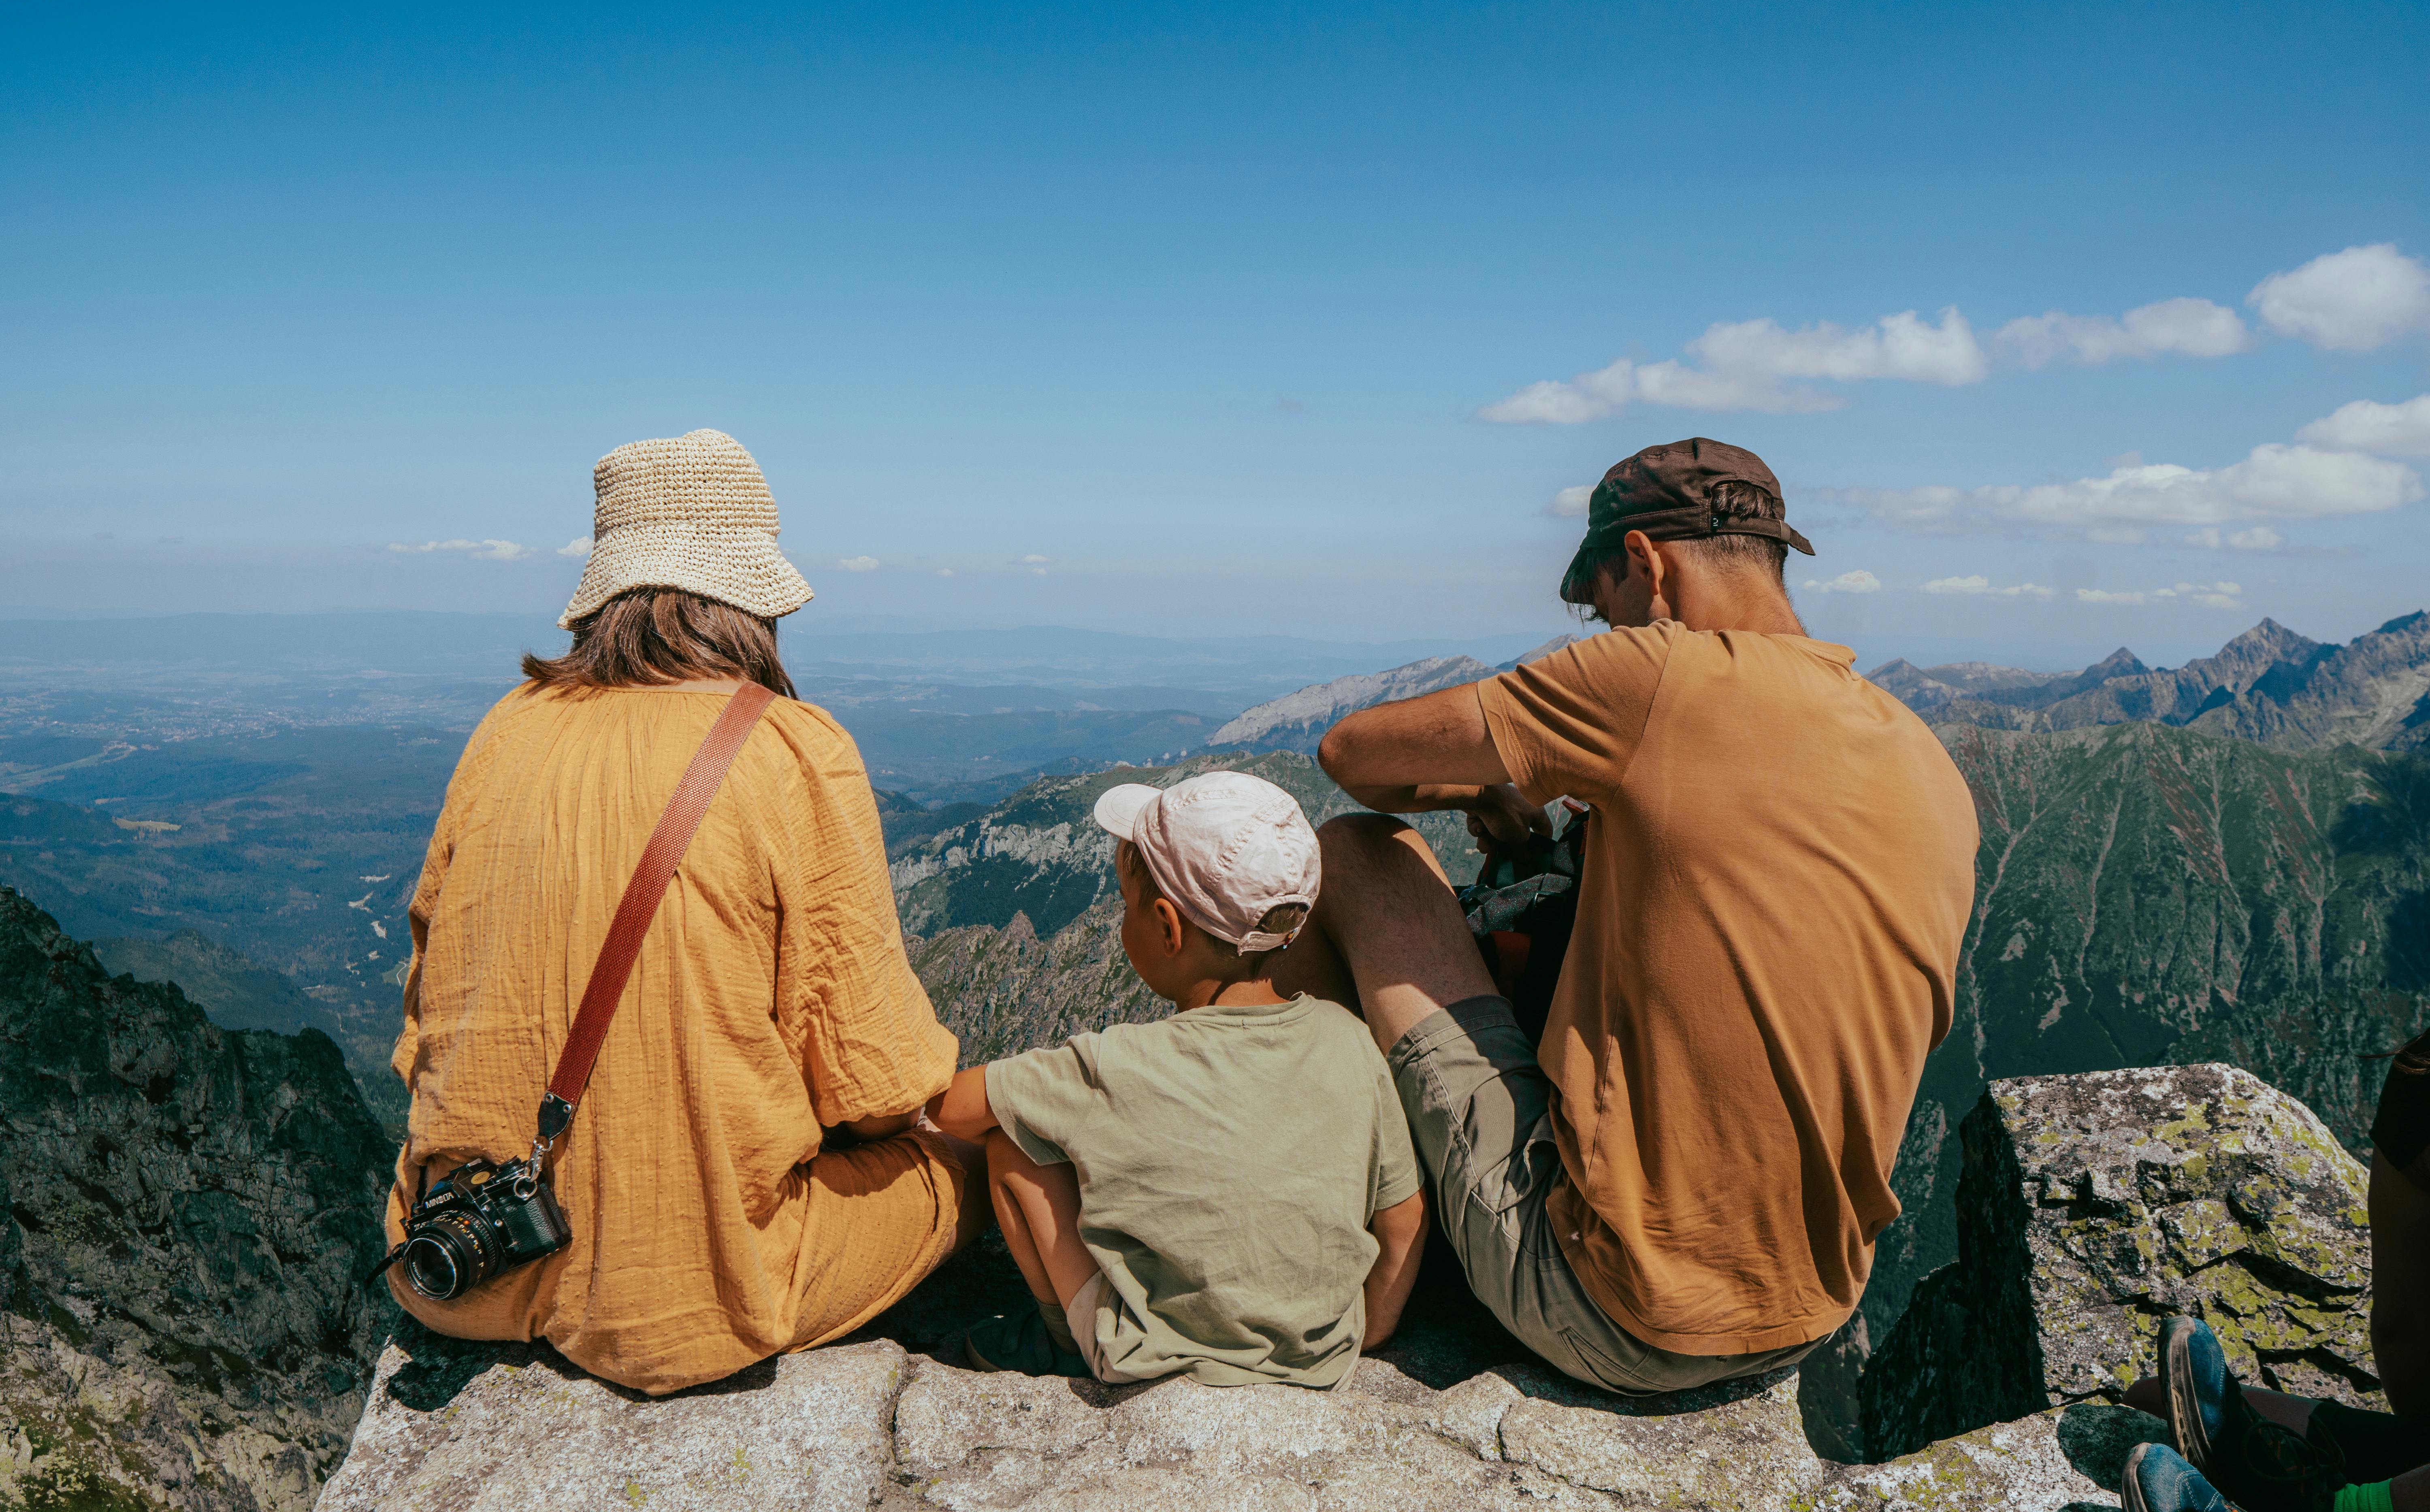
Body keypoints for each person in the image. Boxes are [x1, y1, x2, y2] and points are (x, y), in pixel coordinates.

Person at [1265, 437, 1979, 1395]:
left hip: (1614, 1306)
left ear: (1645, 563)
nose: (1608, 631)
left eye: (1605, 609)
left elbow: (1353, 754)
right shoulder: (1919, 752)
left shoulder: (1657, 674)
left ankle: (1301, 1230)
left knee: (1356, 855)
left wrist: (1481, 786)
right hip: (1815, 1305)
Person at [384, 428, 980, 1395]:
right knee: (966, 1168)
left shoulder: (505, 727)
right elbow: (874, 1082)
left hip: (471, 1260)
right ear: (751, 594)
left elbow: (425, 1017)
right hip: (690, 1298)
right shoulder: (795, 750)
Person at [925, 770, 1430, 1388]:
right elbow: (1404, 1214)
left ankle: (1066, 1344)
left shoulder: (1118, 1064)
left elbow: (950, 1107)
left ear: (1167, 927)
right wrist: (1366, 1332)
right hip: (1322, 1350)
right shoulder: (1348, 1038)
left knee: (1012, 1142)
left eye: (1125, 903)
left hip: (1152, 1350)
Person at [2116, 1027, 2430, 1512]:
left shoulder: (2424, 1068)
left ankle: (2333, 1506)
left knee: (2155, 1404)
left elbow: (2401, 1328)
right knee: (2147, 1400)